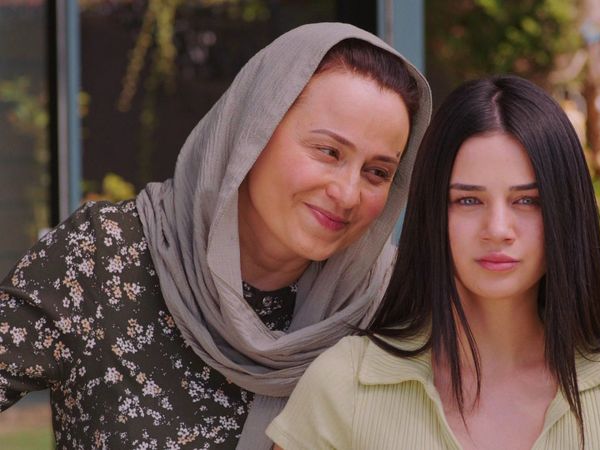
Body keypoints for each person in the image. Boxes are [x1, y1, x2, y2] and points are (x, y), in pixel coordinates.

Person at [0, 23, 432, 449]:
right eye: (328, 151)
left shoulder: (390, 305)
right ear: (253, 130)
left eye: (378, 172)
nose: (348, 193)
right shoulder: (105, 255)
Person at [266, 76, 600, 450]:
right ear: (432, 214)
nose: (498, 229)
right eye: (468, 200)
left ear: (566, 212)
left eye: (527, 201)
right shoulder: (344, 385)